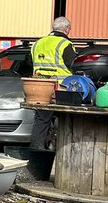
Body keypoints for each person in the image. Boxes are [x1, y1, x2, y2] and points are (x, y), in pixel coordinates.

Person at [30, 15, 76, 150]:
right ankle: (61, 150)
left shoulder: (38, 43)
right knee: (65, 121)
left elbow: (31, 63)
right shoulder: (65, 44)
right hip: (61, 89)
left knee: (41, 121)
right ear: (67, 29)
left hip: (39, 88)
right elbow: (73, 65)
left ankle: (36, 152)